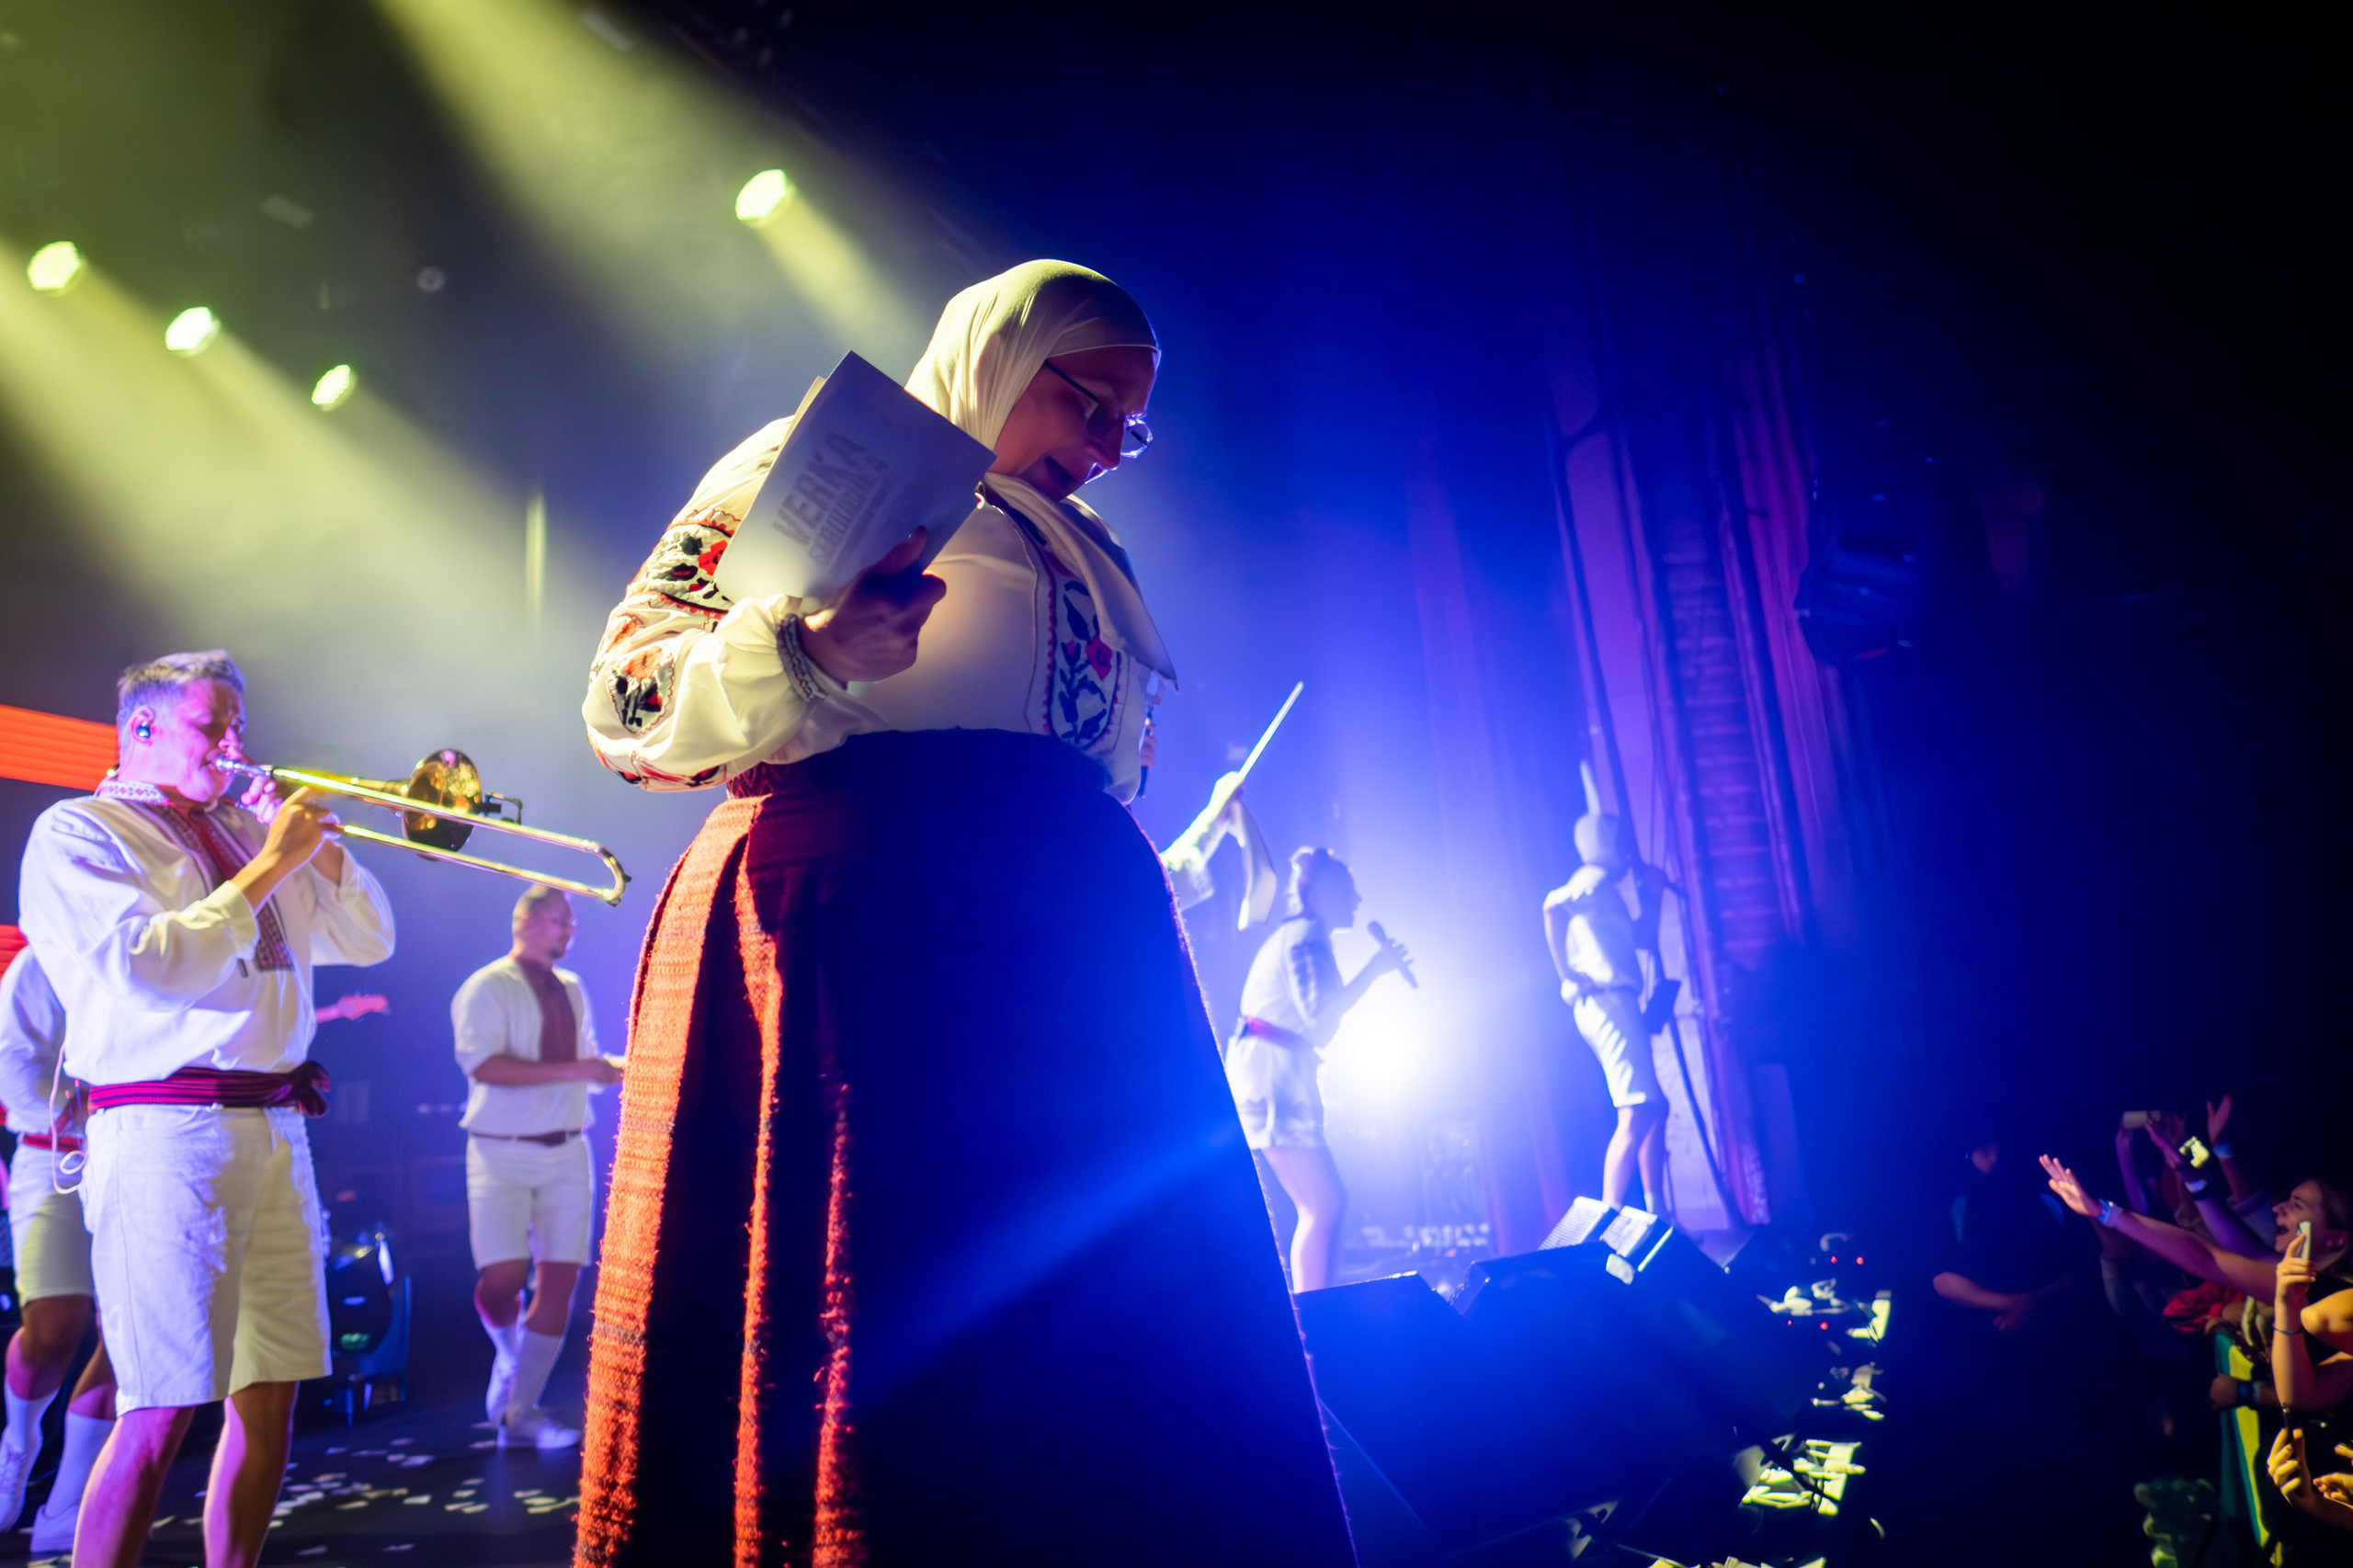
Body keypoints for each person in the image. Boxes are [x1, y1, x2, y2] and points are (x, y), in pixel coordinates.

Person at [575, 261, 1355, 1566]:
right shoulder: (822, 467)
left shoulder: (1077, 542)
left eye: (1127, 426)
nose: (1102, 446)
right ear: (999, 357)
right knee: (889, 1276)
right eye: (1085, 403)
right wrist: (807, 651)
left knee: (1092, 1305)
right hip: (866, 924)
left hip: (1056, 945)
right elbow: (626, 696)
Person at [16, 650, 394, 1568]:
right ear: (142, 728)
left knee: (272, 1393)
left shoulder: (244, 828)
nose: (232, 743)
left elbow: (371, 938)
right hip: (164, 1132)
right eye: (209, 724)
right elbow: (148, 967)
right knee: (160, 1406)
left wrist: (317, 847)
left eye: (237, 724)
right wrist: (273, 860)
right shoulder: (80, 829)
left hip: (278, 1126)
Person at [451, 884, 622, 1450]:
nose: (568, 931)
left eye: (571, 923)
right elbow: (485, 1067)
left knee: (560, 1281)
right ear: (522, 920)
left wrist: (616, 1067)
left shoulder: (571, 987)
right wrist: (580, 1071)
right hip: (499, 1150)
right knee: (501, 1281)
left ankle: (521, 1412)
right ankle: (511, 1358)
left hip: (569, 1149)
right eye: (557, 920)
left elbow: (585, 1060)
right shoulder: (487, 985)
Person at [1225, 847, 1409, 1292]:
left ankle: (1314, 1306)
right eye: (1349, 890)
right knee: (1324, 1204)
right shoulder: (1306, 936)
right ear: (1323, 893)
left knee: (1320, 1205)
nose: (1358, 900)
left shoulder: (1300, 936)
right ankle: (1317, 1310)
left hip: (1267, 1071)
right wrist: (1375, 969)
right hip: (1273, 1076)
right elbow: (1320, 1015)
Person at [0, 949, 115, 1554]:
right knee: (52, 1328)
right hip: (51, 1156)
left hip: (142, 1153)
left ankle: (68, 1504)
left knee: (128, 1337)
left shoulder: (169, 939)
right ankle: (18, 1446)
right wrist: (87, 1110)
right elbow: (14, 1063)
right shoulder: (42, 961)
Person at [1541, 781, 1671, 1214]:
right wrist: (1567, 973)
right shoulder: (1592, 880)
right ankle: (1609, 1219)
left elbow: (1642, 937)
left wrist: (1653, 894)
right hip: (1608, 1000)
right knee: (1637, 1109)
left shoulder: (1604, 890)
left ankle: (1655, 1213)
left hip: (1615, 1001)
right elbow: (1551, 906)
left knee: (1653, 1107)